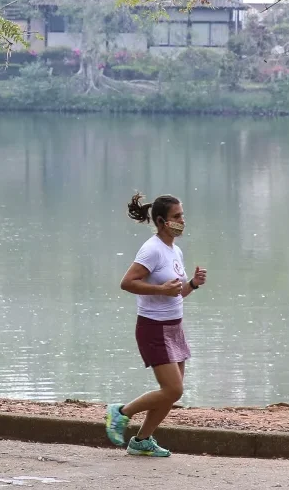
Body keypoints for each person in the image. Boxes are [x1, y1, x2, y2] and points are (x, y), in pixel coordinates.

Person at [104, 193, 208, 458]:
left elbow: (177, 292)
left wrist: (192, 284)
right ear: (162, 221)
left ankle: (142, 440)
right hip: (153, 327)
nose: (182, 221)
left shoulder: (175, 250)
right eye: (177, 217)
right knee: (173, 389)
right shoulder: (151, 249)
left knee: (170, 394)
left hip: (174, 327)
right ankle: (121, 412)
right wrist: (160, 289)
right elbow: (127, 282)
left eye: (182, 215)